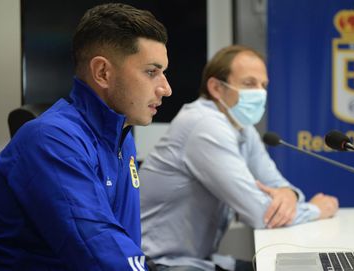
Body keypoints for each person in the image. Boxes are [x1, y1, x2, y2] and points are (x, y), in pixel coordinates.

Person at [0, 3, 171, 270]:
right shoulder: (50, 140)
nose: (166, 88)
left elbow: (122, 241)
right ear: (102, 73)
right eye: (151, 72)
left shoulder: (121, 137)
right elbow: (99, 252)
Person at [138, 45, 339, 271]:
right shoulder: (205, 126)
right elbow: (261, 214)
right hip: (157, 264)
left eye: (263, 86)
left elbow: (276, 184)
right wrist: (317, 210)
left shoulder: (242, 127)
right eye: (249, 84)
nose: (260, 93)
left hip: (197, 260)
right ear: (216, 87)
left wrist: (289, 194)